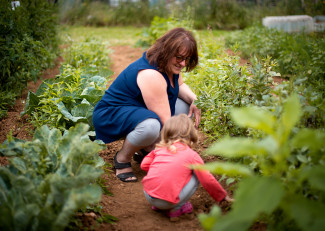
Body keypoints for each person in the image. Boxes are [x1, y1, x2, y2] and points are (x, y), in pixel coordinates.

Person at [93, 27, 201, 182]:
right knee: (151, 127)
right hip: (112, 113)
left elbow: (180, 86)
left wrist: (194, 100)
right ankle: (122, 158)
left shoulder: (170, 64)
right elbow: (166, 123)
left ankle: (145, 149)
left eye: (187, 59)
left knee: (185, 106)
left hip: (137, 109)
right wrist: (183, 153)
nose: (183, 63)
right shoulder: (151, 74)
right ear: (167, 51)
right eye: (179, 58)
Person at [140, 114, 233, 219]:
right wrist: (222, 196)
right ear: (191, 134)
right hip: (167, 202)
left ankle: (159, 204)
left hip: (148, 196)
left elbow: (144, 165)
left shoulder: (159, 150)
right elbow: (207, 180)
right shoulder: (192, 155)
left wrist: (162, 168)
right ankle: (176, 208)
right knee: (198, 174)